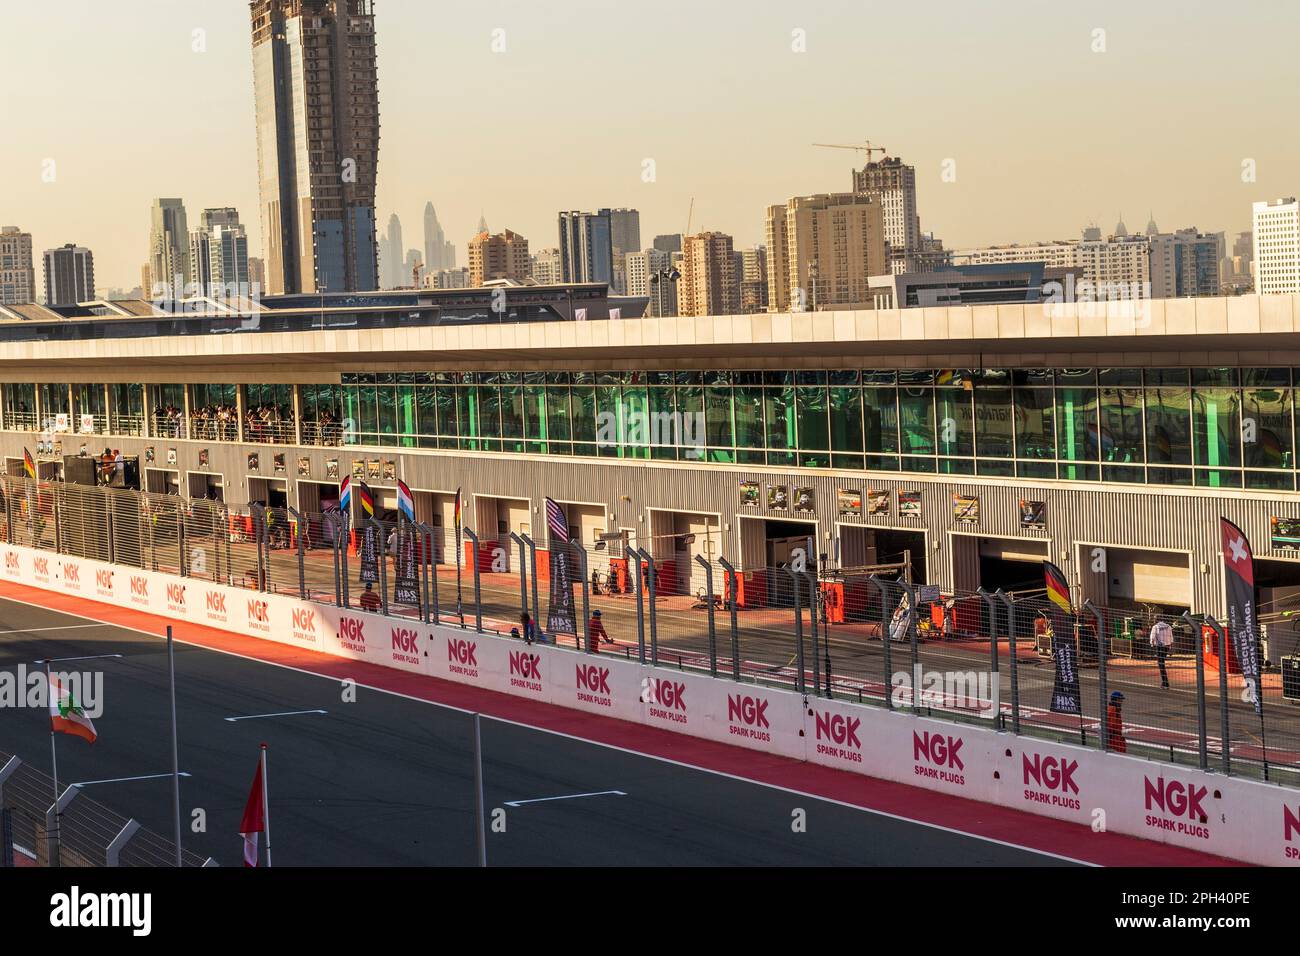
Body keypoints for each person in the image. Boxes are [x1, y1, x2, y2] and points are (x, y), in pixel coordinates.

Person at [1149, 619, 1173, 689]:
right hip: (1167, 646)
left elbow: (1152, 637)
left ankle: (1165, 683)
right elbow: (1171, 637)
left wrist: (1152, 644)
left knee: (1161, 664)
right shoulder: (1168, 626)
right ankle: (1164, 682)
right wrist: (1170, 646)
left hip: (1159, 646)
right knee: (1162, 663)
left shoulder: (1155, 627)